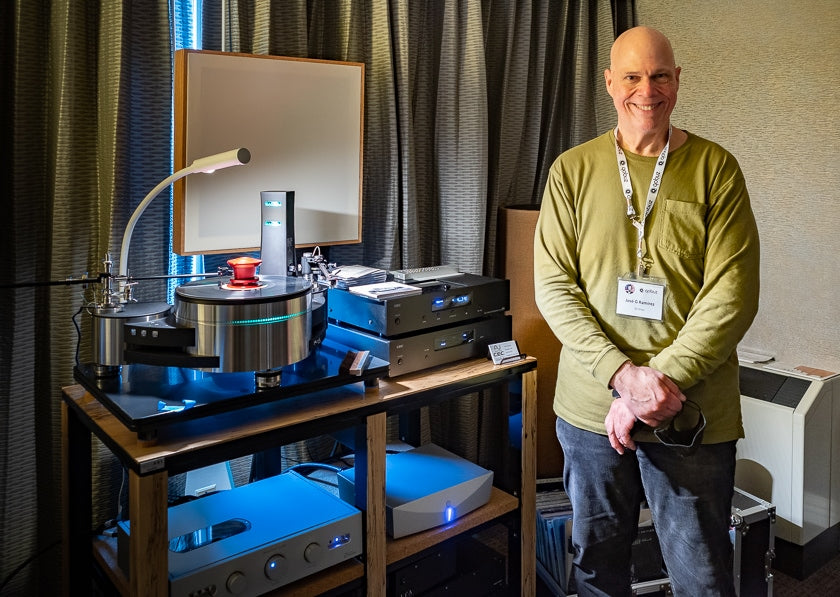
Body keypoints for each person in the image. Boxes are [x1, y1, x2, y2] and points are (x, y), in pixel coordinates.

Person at [533, 26, 760, 596]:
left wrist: (659, 384)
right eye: (632, 76)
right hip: (591, 413)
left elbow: (732, 293)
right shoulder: (571, 171)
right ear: (610, 83)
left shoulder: (717, 169)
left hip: (690, 411)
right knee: (596, 565)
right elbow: (554, 286)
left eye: (660, 75)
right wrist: (622, 376)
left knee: (702, 572)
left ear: (678, 81)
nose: (647, 90)